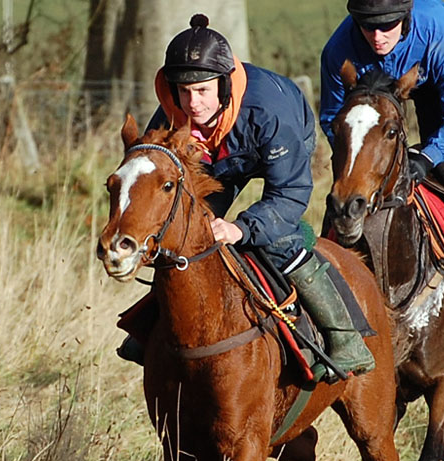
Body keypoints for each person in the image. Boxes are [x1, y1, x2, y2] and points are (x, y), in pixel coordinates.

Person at [119, 14, 375, 378]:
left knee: (278, 240)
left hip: (276, 140)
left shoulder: (271, 114)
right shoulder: (172, 112)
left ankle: (345, 338)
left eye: (203, 91)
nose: (193, 104)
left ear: (223, 86)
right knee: (183, 237)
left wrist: (240, 229)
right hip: (216, 155)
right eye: (184, 92)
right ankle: (151, 327)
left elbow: (290, 193)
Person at [320, 0, 444, 311]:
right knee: (345, 184)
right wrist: (362, 162)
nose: (377, 36)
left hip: (431, 84)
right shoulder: (338, 49)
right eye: (368, 27)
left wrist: (426, 157)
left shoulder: (442, 36)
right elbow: (332, 118)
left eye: (387, 26)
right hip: (370, 98)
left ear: (405, 18)